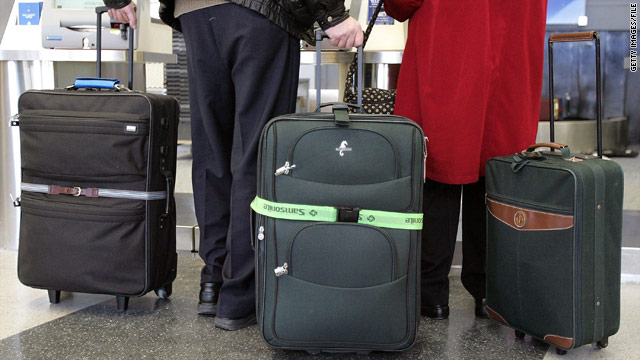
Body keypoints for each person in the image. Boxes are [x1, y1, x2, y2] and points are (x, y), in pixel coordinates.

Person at [104, 0, 363, 330]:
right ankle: (239, 295)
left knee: (212, 150)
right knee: (255, 153)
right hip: (261, 12)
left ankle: (213, 283)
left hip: (195, 12)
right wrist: (332, 15)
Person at [384, 0, 548, 319]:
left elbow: (400, 4)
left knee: (438, 172)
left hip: (448, 60)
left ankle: (430, 295)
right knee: (495, 177)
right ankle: (490, 293)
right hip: (511, 65)